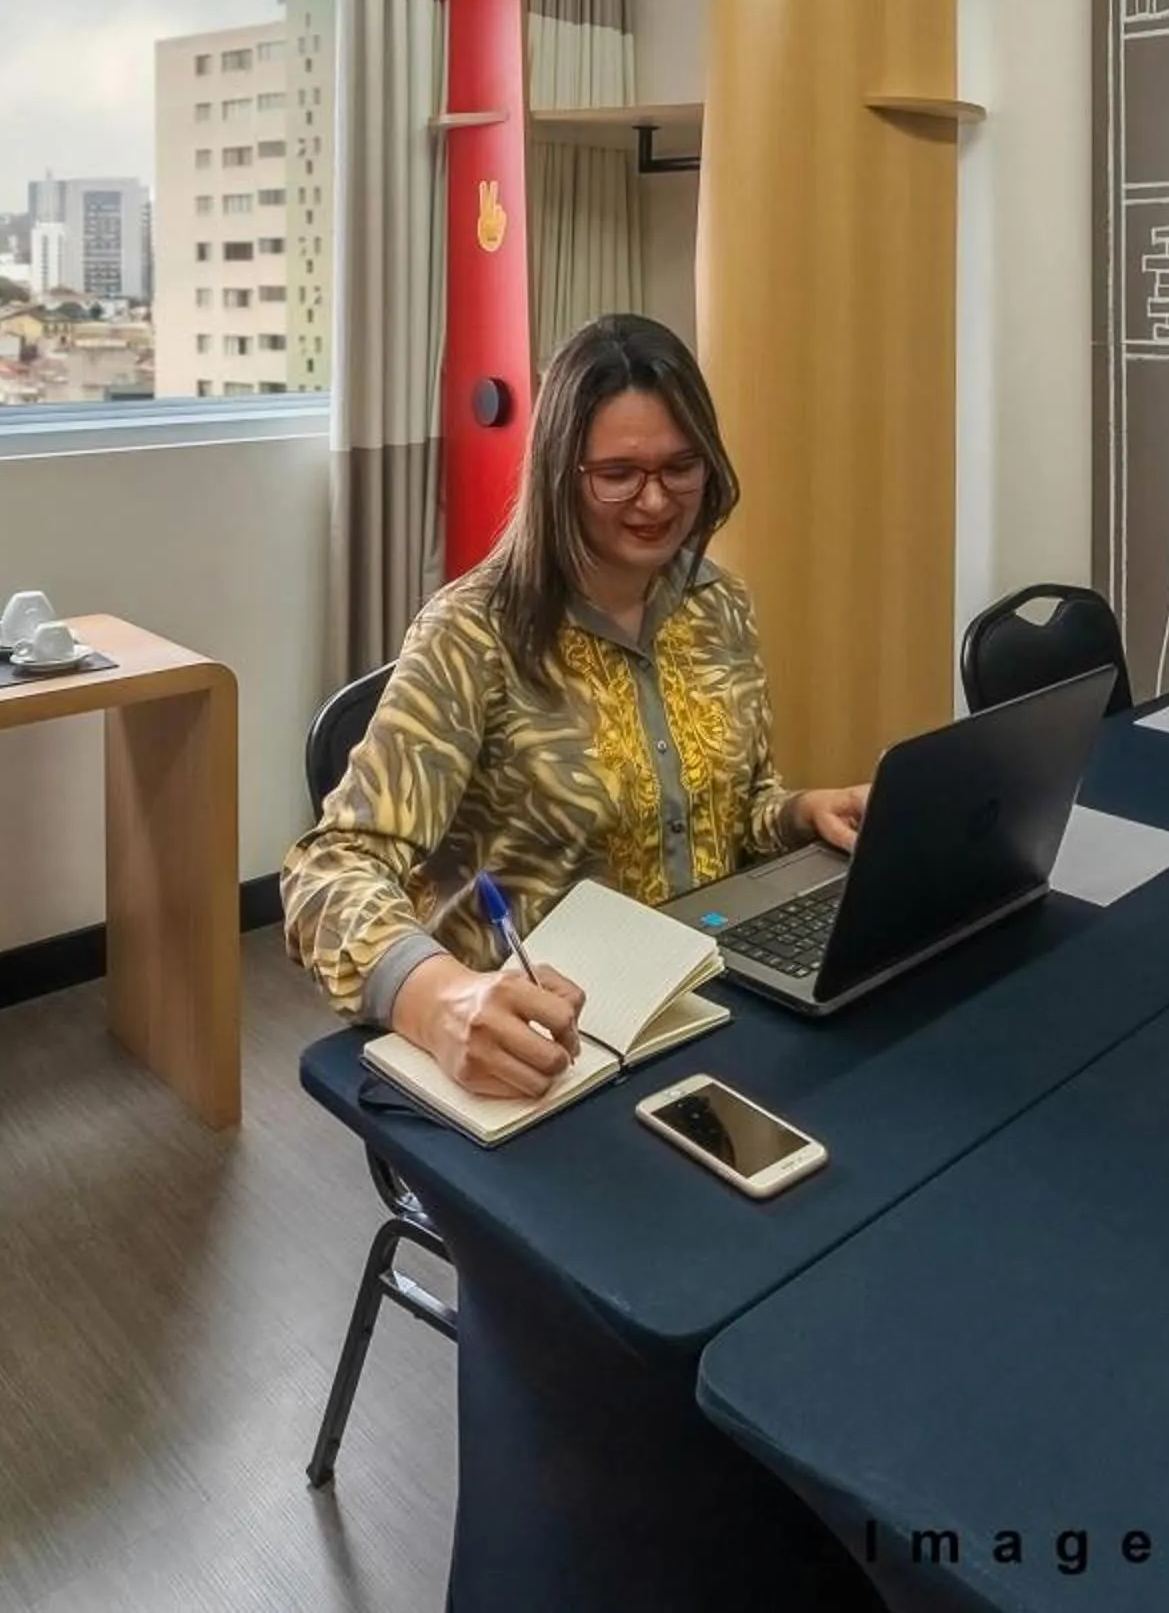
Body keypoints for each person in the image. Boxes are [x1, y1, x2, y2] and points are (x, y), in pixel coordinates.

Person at [282, 314, 870, 1099]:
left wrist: (799, 813)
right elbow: (328, 871)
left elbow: (732, 816)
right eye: (619, 474)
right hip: (543, 1042)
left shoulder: (718, 605)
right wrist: (439, 998)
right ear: (562, 473)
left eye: (680, 467)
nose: (656, 501)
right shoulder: (473, 636)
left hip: (704, 1004)